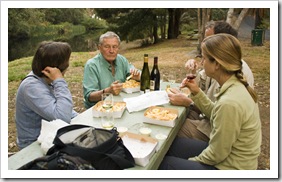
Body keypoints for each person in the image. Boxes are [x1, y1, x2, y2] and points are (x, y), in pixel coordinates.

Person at [159, 33, 261, 170]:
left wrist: (191, 162)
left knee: (164, 164)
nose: (201, 63)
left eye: (204, 58)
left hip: (232, 166)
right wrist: (197, 92)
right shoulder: (234, 85)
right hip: (227, 154)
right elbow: (215, 113)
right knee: (167, 146)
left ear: (217, 64)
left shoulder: (230, 102)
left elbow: (217, 153)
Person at [168, 21, 254, 141]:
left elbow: (219, 115)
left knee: (172, 129)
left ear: (222, 43)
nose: (204, 42)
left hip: (216, 131)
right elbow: (202, 84)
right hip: (209, 118)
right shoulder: (221, 65)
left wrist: (190, 102)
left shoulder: (234, 74)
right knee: (172, 115)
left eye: (208, 39)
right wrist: (192, 72)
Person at [15, 41, 78, 149]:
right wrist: (59, 80)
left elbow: (67, 111)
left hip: (51, 136)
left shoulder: (47, 79)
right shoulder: (31, 86)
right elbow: (62, 117)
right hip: (34, 145)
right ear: (58, 67)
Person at [83, 31, 140, 109]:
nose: (111, 51)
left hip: (120, 106)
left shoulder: (121, 59)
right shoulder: (92, 65)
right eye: (107, 46)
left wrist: (138, 77)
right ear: (99, 48)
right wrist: (108, 91)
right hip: (99, 110)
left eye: (114, 47)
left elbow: (136, 73)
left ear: (118, 48)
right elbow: (89, 96)